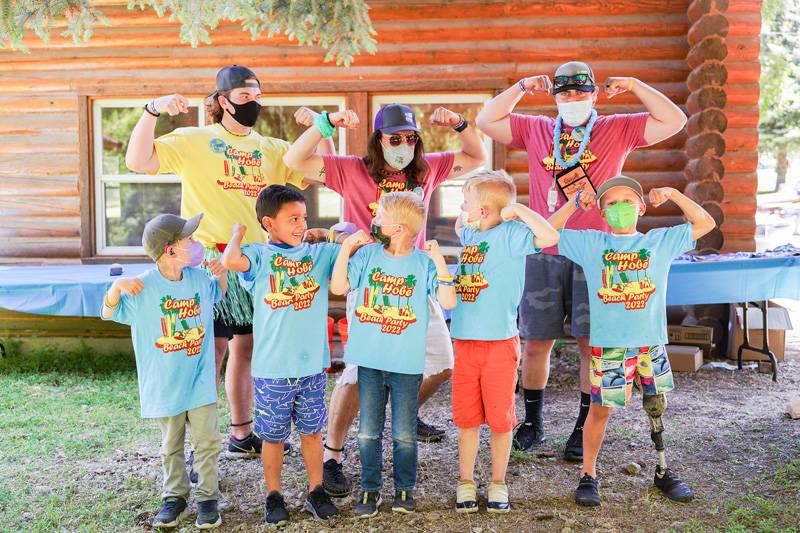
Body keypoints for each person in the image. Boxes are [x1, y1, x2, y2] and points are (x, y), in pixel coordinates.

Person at [476, 61, 687, 461]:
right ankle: (533, 422)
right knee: (536, 342)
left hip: (596, 253)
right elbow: (486, 120)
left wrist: (635, 83)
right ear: (555, 97)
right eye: (564, 93)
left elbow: (674, 120)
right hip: (545, 249)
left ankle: (581, 426)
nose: (572, 99)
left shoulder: (616, 128)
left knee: (592, 343)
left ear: (593, 94)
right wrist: (522, 86)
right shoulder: (538, 129)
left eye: (580, 92)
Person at [125, 65, 334, 458]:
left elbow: (325, 172)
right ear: (223, 101)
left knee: (248, 348)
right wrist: (153, 109)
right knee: (211, 351)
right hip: (210, 265)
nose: (253, 103)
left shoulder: (274, 148)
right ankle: (198, 445)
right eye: (244, 97)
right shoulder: (193, 139)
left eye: (258, 96)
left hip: (256, 264)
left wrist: (320, 130)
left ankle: (241, 433)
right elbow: (138, 160)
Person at [283, 104, 486, 496]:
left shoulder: (425, 170)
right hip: (370, 281)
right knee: (358, 373)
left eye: (410, 138)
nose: (403, 145)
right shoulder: (352, 170)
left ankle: (399, 414)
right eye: (395, 138)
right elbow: (295, 159)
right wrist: (326, 123)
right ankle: (332, 456)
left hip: (414, 279)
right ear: (378, 140)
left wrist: (460, 123)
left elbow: (476, 156)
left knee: (443, 361)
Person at [547, 175, 715, 506]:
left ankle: (663, 470)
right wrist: (573, 204)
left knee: (656, 406)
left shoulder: (659, 241)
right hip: (610, 345)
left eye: (627, 201)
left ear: (641, 207)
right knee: (600, 410)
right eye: (611, 203)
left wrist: (674, 194)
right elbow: (545, 234)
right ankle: (588, 474)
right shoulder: (593, 244)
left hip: (650, 343)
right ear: (602, 212)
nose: (620, 207)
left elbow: (705, 223)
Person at [221, 185, 345, 526]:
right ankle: (274, 494)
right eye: (292, 219)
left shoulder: (318, 254)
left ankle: (316, 490)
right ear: (269, 223)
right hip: (272, 369)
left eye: (304, 218)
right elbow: (230, 260)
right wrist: (238, 233)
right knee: (273, 437)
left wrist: (332, 236)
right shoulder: (260, 256)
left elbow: (349, 243)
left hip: (311, 366)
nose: (301, 225)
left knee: (312, 433)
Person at [330, 192, 457, 518]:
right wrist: (346, 248)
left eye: (380, 217)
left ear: (397, 228)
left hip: (406, 365)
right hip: (370, 360)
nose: (374, 221)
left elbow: (449, 301)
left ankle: (404, 489)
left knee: (404, 434)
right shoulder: (367, 255)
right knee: (368, 432)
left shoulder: (423, 263)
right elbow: (339, 287)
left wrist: (439, 260)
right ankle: (370, 490)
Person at [101, 213, 227, 529]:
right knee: (171, 445)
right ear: (170, 250)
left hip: (199, 380)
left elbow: (218, 293)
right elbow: (108, 311)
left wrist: (222, 274)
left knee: (207, 442)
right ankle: (175, 498)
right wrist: (116, 287)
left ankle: (208, 499)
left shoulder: (199, 279)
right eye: (190, 240)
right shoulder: (143, 286)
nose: (196, 244)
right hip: (165, 383)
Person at [450, 170, 559, 513]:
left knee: (500, 419)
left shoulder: (512, 235)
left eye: (466, 201)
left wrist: (517, 210)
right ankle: (466, 481)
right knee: (467, 420)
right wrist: (476, 206)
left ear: (483, 210)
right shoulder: (470, 233)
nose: (461, 207)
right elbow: (460, 222)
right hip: (464, 342)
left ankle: (498, 482)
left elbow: (550, 234)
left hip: (499, 344)